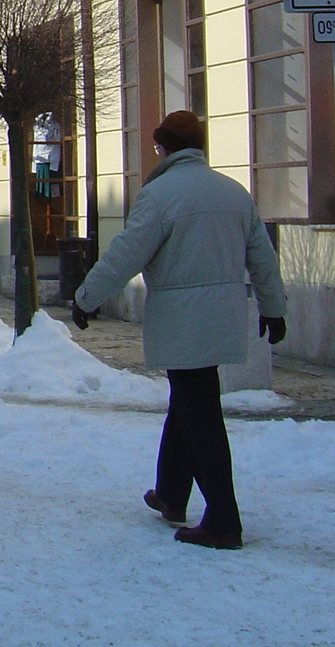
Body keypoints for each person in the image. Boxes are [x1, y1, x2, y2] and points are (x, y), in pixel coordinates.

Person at [72, 110, 287, 551]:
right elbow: (260, 256)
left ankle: (224, 521)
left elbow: (126, 254)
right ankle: (171, 493)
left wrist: (85, 297)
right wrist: (273, 308)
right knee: (188, 401)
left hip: (180, 316)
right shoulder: (233, 192)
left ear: (164, 148)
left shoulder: (160, 194)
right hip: (222, 315)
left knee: (200, 414)